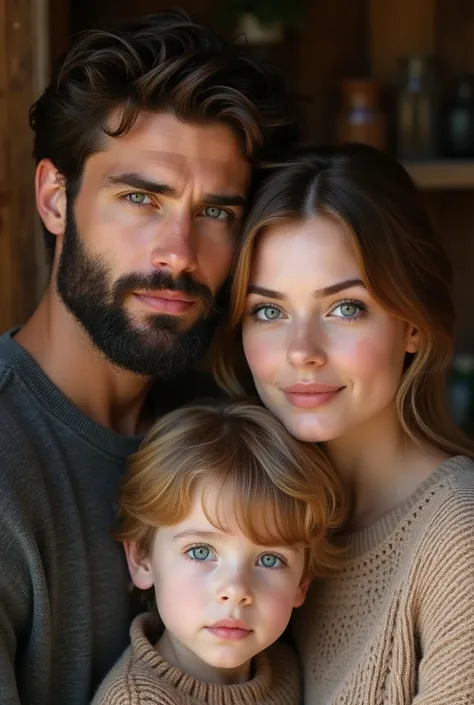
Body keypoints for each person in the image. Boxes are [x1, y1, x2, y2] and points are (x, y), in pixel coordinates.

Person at [0, 9, 299, 705]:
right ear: (55, 198)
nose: (180, 252)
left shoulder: (240, 428)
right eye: (142, 198)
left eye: (217, 212)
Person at [214, 144, 474, 704]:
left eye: (345, 308)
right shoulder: (248, 516)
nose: (301, 350)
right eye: (269, 311)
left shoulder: (459, 538)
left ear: (411, 325)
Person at [91, 400, 342, 704]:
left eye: (269, 559)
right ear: (143, 558)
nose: (235, 590)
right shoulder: (137, 701)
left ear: (302, 582)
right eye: (200, 552)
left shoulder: (286, 670)